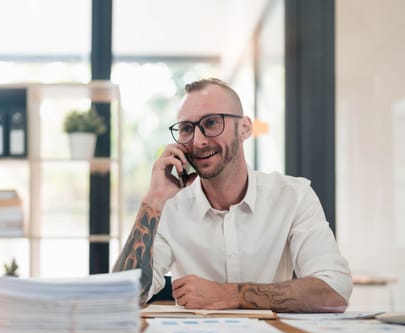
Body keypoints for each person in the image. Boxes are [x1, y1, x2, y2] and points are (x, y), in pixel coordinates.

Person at [113, 78, 352, 313]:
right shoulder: (170, 207)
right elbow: (120, 298)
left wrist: (230, 295)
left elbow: (336, 290)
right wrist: (153, 200)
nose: (199, 141)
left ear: (244, 128)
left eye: (212, 122)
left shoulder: (294, 196)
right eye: (186, 129)